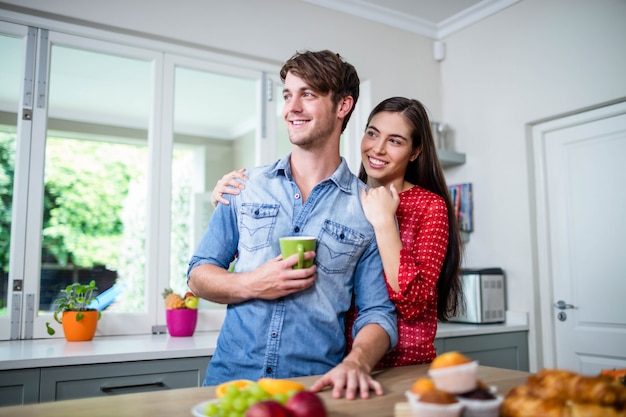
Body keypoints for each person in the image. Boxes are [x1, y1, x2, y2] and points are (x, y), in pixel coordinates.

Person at [187, 50, 398, 400]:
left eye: (308, 94)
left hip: (311, 388)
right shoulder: (243, 187)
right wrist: (253, 283)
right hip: (229, 384)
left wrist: (357, 362)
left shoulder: (368, 208)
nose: (292, 108)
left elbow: (378, 312)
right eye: (287, 95)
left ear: (343, 105)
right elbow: (198, 275)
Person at [212, 97, 463, 368]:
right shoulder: (346, 199)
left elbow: (413, 303)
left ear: (415, 152)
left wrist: (384, 223)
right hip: (339, 363)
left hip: (404, 365)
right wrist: (230, 207)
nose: (377, 149)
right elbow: (258, 257)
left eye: (395, 141)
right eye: (372, 134)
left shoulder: (429, 206)